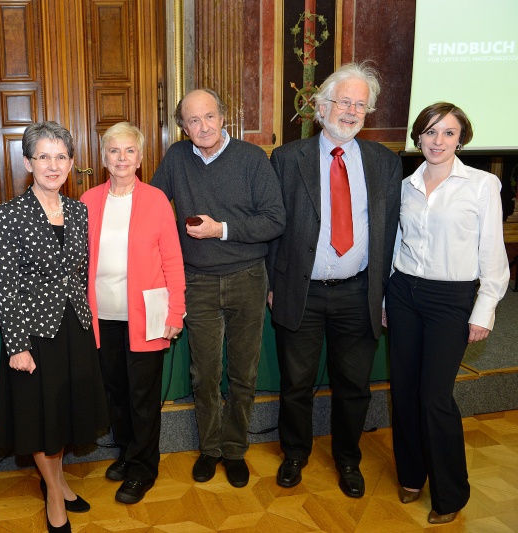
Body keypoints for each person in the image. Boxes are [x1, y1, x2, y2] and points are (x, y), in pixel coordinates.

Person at [266, 62, 402, 499]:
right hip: (300, 291)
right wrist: (272, 283)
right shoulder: (287, 158)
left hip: (359, 292)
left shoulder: (385, 162)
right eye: (344, 101)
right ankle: (294, 454)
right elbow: (272, 226)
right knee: (297, 383)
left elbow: (392, 230)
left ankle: (348, 458)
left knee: (354, 386)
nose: (351, 111)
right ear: (322, 107)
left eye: (361, 105)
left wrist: (384, 293)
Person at [151, 89, 285, 488]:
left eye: (209, 116)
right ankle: (210, 449)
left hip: (248, 277)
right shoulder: (176, 157)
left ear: (223, 117)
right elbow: (155, 206)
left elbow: (275, 220)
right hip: (197, 281)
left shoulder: (251, 159)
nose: (203, 126)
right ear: (183, 126)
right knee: (204, 374)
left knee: (243, 373)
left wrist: (220, 230)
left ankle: (236, 449)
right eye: (193, 120)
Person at [386, 103, 509, 524]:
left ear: (461, 139)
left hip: (451, 300)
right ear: (418, 137)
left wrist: (484, 310)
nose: (439, 141)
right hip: (403, 294)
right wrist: (387, 299)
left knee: (434, 397)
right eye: (431, 132)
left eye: (449, 133)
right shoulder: (405, 185)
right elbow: (396, 246)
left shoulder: (481, 185)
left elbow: (493, 254)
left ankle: (450, 493)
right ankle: (410, 474)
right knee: (403, 390)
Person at [0, 121, 108, 533]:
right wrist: (17, 345)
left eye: (61, 156)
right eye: (43, 156)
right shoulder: (9, 214)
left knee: (64, 414)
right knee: (42, 419)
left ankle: (57, 481)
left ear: (72, 163)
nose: (53, 165)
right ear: (28, 163)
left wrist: (89, 323)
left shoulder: (79, 211)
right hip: (34, 334)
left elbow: (81, 274)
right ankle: (55, 495)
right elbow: (3, 286)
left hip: (74, 328)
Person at [81, 122, 185, 504]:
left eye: (129, 151)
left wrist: (176, 311)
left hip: (147, 316)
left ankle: (144, 468)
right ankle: (126, 453)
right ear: (104, 157)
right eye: (114, 151)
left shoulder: (157, 200)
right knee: (115, 393)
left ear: (140, 158)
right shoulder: (87, 200)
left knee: (142, 396)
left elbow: (173, 260)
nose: (122, 158)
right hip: (102, 316)